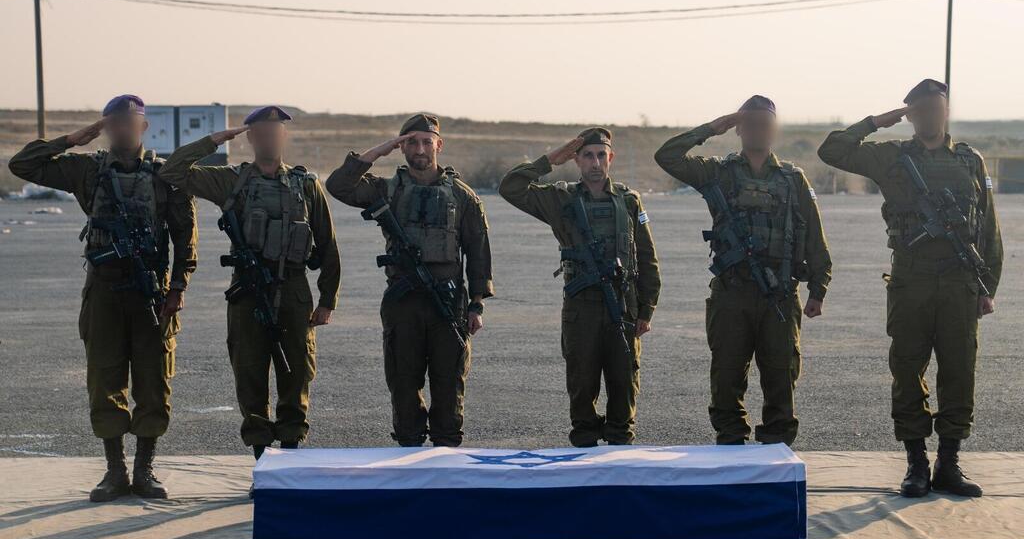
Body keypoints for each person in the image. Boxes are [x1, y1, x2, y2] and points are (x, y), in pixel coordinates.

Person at [818, 79, 1002, 498]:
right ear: (911, 115)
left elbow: (989, 228)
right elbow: (832, 150)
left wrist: (986, 285)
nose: (929, 117)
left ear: (946, 112)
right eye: (919, 111)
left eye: (936, 109)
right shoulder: (891, 158)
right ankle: (916, 462)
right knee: (907, 369)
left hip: (959, 282)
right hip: (911, 280)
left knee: (959, 371)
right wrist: (876, 122)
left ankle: (949, 461)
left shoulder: (970, 161)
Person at [8, 95, 197, 501]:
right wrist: (72, 139)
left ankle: (145, 469)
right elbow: (22, 165)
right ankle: (115, 471)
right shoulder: (87, 170)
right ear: (106, 127)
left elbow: (186, 236)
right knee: (104, 380)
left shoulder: (166, 176)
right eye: (114, 122)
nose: (123, 129)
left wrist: (178, 288)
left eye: (130, 122)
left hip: (152, 292)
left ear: (143, 127)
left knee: (153, 381)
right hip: (104, 291)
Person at [158, 106, 340, 462]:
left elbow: (328, 245)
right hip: (248, 292)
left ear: (283, 136)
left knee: (296, 373)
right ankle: (262, 459)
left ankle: (290, 456)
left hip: (294, 290)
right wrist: (212, 140)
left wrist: (327, 300)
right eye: (262, 132)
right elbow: (172, 171)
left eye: (276, 131)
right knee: (250, 375)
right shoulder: (232, 180)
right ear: (251, 138)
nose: (270, 137)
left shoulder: (307, 185)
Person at [655, 96, 831, 447]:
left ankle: (776, 452)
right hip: (732, 293)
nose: (757, 130)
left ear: (774, 129)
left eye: (764, 123)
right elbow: (667, 156)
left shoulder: (793, 179)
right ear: (738, 127)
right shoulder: (717, 173)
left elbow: (813, 234)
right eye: (749, 122)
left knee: (781, 376)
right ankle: (730, 447)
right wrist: (712, 127)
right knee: (727, 375)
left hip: (780, 294)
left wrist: (818, 288)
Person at [325, 113, 492, 447]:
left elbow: (478, 252)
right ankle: (408, 453)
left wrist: (476, 304)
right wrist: (380, 150)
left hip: (447, 301)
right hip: (403, 303)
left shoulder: (462, 195)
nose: (420, 148)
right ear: (402, 148)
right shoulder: (386, 189)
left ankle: (445, 456)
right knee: (403, 381)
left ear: (438, 145)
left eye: (426, 141)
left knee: (449, 383)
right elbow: (338, 185)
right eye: (411, 142)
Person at [499, 127, 661, 447]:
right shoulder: (560, 199)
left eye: (602, 155)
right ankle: (584, 449)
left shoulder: (629, 200)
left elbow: (647, 257)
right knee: (582, 385)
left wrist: (646, 308)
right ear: (577, 159)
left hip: (622, 306)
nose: (596, 162)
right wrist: (550, 160)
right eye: (588, 155)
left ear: (610, 157)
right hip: (581, 308)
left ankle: (619, 450)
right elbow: (511, 187)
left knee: (624, 385)